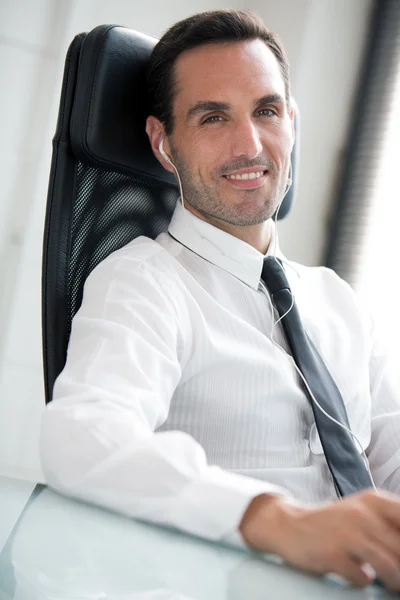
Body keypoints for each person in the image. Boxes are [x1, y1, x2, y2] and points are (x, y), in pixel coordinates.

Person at [40, 9, 400, 592]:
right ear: (163, 143)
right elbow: (81, 437)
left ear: (292, 123)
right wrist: (276, 519)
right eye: (213, 117)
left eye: (267, 110)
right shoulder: (144, 283)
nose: (250, 144)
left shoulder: (338, 301)